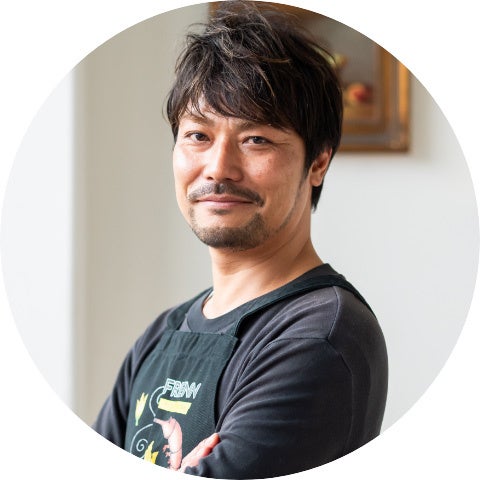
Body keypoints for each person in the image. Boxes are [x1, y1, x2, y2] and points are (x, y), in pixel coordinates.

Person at [93, 1, 388, 478]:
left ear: (318, 162)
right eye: (197, 135)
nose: (218, 169)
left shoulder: (319, 337)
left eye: (256, 140)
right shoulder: (163, 335)